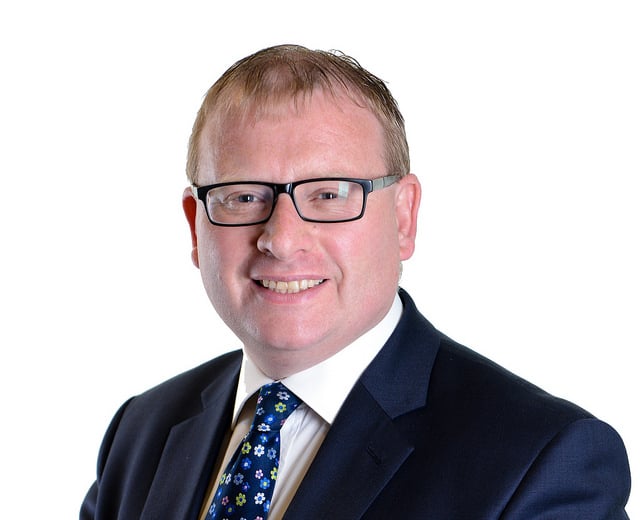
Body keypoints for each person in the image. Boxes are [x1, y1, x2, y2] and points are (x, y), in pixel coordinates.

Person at [80, 44, 631, 519]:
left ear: (404, 218)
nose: (281, 239)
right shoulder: (141, 433)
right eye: (244, 197)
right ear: (195, 227)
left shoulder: (542, 462)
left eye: (329, 194)